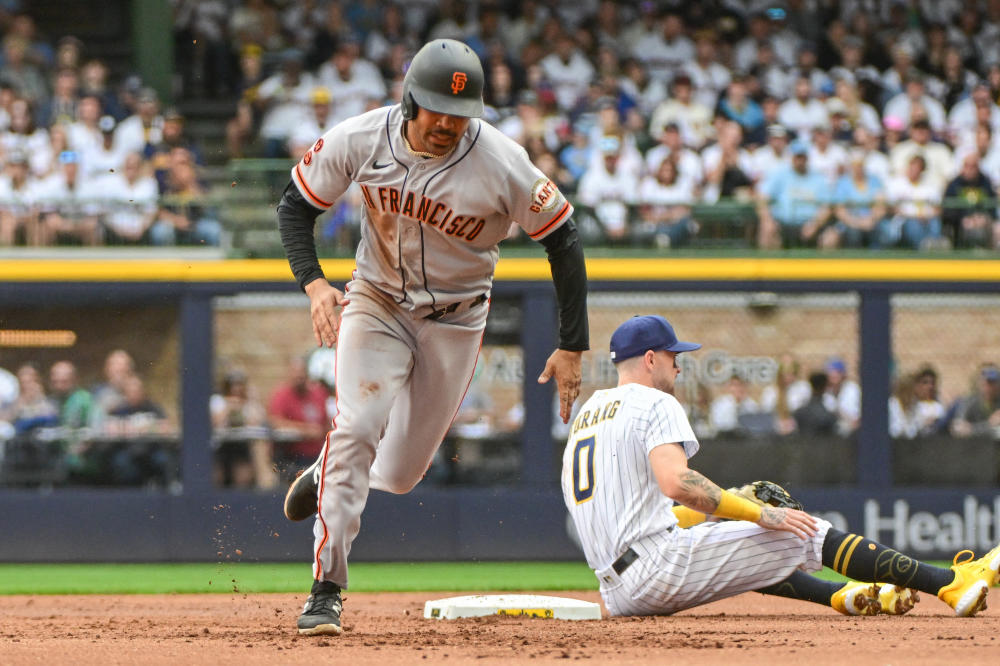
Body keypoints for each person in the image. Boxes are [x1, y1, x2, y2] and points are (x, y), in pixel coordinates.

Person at [276, 39, 587, 636]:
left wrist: (572, 342)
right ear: (409, 100)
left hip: (458, 317)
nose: (448, 123)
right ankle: (326, 589)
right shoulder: (361, 138)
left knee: (398, 474)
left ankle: (326, 472)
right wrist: (315, 284)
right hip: (376, 301)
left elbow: (563, 237)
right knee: (357, 426)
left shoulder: (501, 160)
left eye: (460, 113)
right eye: (437, 109)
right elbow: (295, 206)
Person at [561, 314, 1000, 620]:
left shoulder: (587, 415)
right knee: (801, 530)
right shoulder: (655, 401)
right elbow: (677, 483)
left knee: (746, 546)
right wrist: (762, 513)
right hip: (656, 571)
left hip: (614, 591)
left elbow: (645, 513)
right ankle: (950, 582)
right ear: (651, 359)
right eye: (674, 355)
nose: (679, 364)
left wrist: (729, 503)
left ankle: (844, 594)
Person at [266, 354, 330, 477]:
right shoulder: (281, 395)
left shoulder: (319, 394)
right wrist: (305, 431)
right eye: (295, 372)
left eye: (301, 372)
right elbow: (275, 423)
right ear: (289, 373)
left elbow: (326, 424)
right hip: (292, 458)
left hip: (318, 456)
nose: (299, 376)